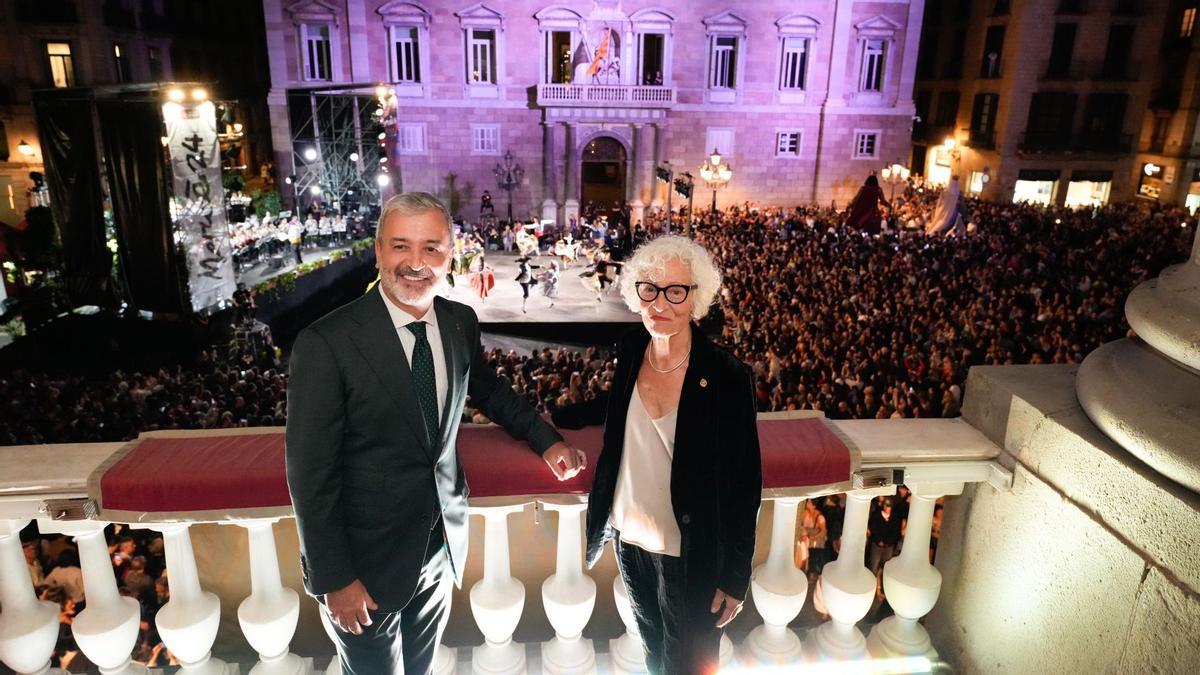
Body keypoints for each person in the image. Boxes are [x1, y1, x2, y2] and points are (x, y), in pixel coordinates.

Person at [285, 191, 586, 675]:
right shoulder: (326, 342)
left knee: (422, 668)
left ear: (450, 255)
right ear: (378, 251)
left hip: (440, 547)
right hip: (363, 564)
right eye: (400, 246)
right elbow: (309, 474)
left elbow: (487, 389)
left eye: (431, 247)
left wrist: (546, 438)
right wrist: (335, 577)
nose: (415, 262)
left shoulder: (458, 322)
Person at [579, 235, 762, 675]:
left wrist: (735, 576)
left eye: (675, 291)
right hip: (630, 540)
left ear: (696, 298)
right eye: (650, 289)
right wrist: (549, 426)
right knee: (653, 652)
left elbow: (744, 482)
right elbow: (615, 409)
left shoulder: (726, 375)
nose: (660, 303)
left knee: (691, 664)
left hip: (691, 552)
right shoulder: (631, 348)